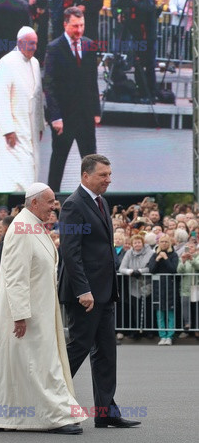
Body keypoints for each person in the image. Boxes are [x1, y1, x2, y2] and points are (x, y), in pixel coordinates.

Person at [0, 182, 85, 434]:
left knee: (18, 364)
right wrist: (20, 315)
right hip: (25, 312)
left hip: (39, 308)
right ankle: (54, 415)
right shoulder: (22, 228)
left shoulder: (34, 226)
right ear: (34, 202)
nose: (54, 207)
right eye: (50, 202)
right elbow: (15, 275)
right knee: (36, 364)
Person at [58, 154, 141, 428]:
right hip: (85, 295)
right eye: (103, 175)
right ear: (85, 176)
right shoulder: (72, 205)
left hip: (104, 293)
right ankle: (51, 404)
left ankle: (106, 413)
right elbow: (70, 252)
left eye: (109, 174)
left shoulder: (101, 202)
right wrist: (83, 290)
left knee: (106, 352)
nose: (109, 179)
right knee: (78, 349)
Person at [44, 7, 101, 192]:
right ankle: (52, 198)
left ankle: (93, 198)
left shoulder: (89, 45)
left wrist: (96, 111)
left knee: (92, 163)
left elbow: (92, 81)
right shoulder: (54, 48)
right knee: (58, 161)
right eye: (75, 26)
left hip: (85, 116)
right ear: (65, 24)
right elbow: (50, 85)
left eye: (82, 25)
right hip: (64, 118)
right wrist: (55, 117)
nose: (79, 30)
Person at [0, 26, 45, 192]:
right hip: (14, 128)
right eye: (30, 44)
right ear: (20, 43)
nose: (34, 48)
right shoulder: (6, 63)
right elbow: (1, 100)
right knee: (13, 173)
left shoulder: (35, 63)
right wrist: (8, 129)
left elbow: (38, 96)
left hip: (30, 127)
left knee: (30, 169)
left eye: (36, 44)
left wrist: (40, 123)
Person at [148, 234, 179, 346]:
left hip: (170, 287)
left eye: (166, 241)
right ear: (159, 243)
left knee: (170, 312)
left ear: (169, 243)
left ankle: (169, 336)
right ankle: (162, 335)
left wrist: (166, 258)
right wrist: (157, 259)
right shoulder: (154, 255)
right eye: (162, 241)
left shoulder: (173, 255)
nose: (164, 243)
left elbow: (173, 270)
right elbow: (151, 269)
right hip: (157, 287)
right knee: (159, 312)